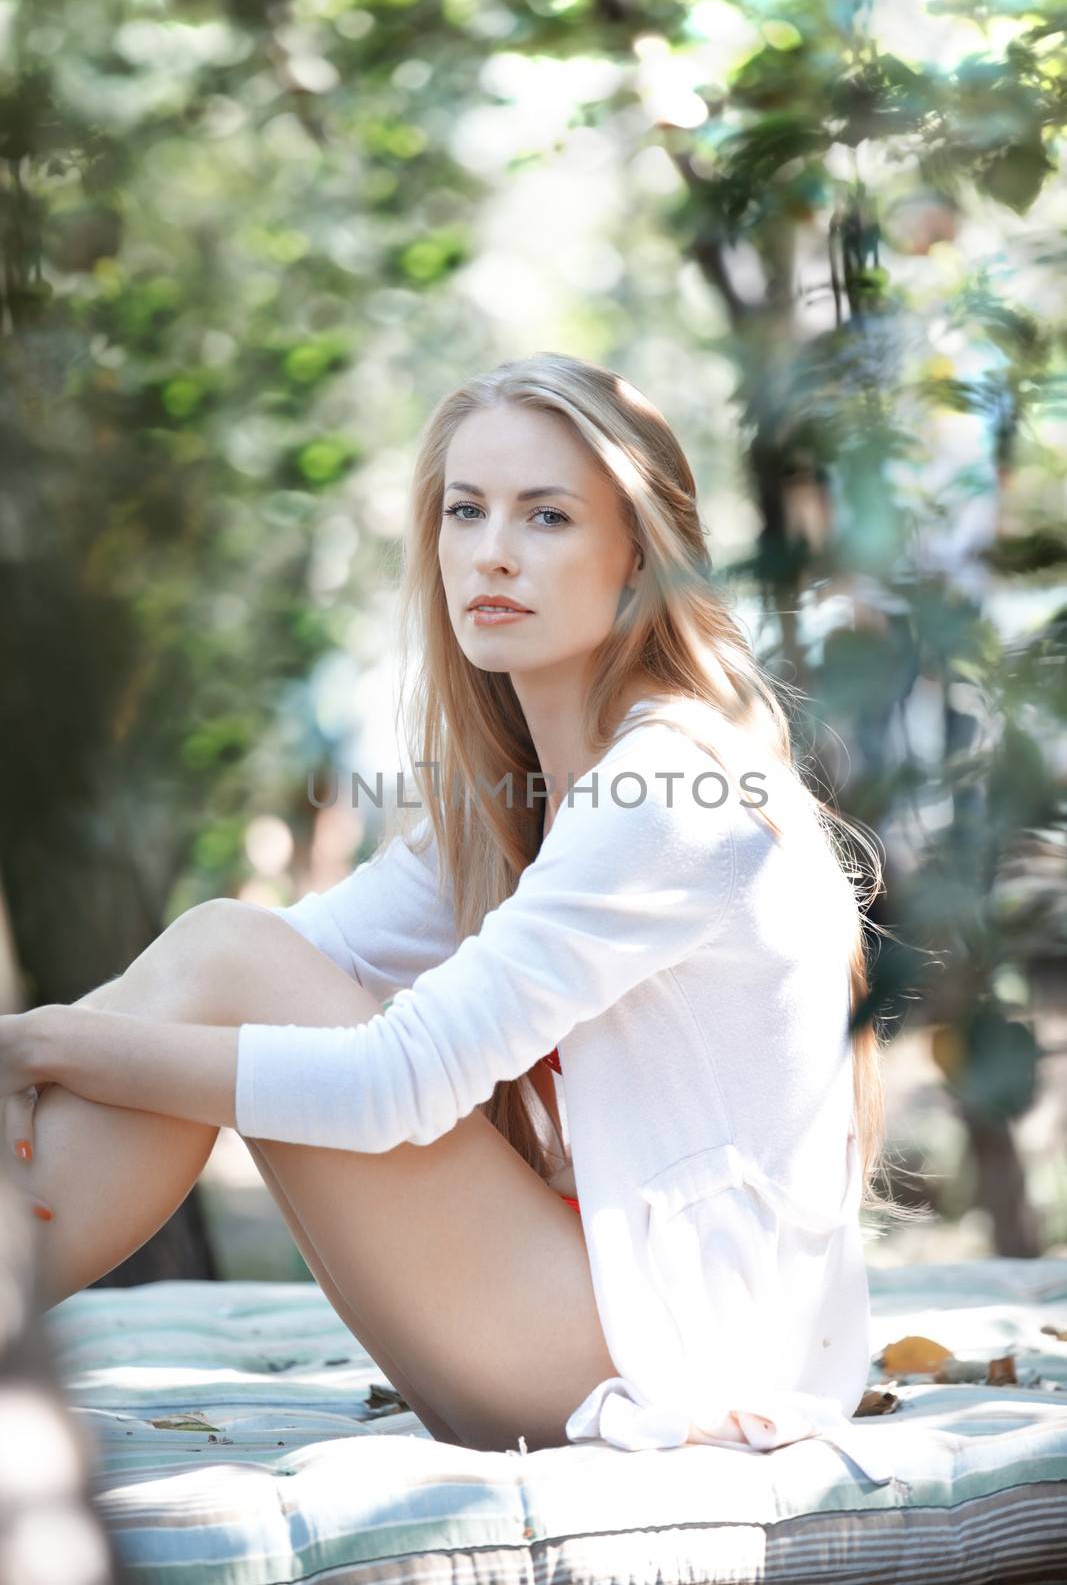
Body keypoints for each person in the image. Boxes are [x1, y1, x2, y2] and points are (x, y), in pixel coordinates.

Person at [0, 353, 896, 1478]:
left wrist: (44, 1040)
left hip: (657, 1366)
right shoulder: (516, 802)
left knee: (223, 953)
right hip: (565, 1327)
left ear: (639, 558)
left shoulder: (667, 789)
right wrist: (52, 1062)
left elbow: (392, 1084)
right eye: (464, 510)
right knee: (223, 945)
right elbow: (281, 962)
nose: (493, 551)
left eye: (547, 515)